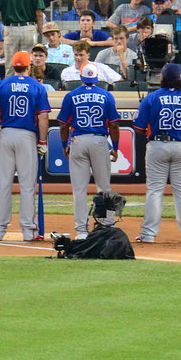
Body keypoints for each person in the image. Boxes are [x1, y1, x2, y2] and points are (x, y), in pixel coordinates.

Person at [0, 50, 51, 242]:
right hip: (27, 135)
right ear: (28, 66)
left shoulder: (2, 84)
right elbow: (43, 116)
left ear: (14, 66)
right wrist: (42, 142)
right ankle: (28, 230)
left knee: (2, 185)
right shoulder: (37, 86)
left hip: (6, 134)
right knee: (27, 186)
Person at [131, 63, 181, 243]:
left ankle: (148, 235)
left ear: (162, 78)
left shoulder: (151, 98)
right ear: (179, 78)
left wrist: (151, 128)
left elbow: (139, 128)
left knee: (155, 191)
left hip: (158, 145)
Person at [57, 63, 121, 240]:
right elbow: (114, 124)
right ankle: (106, 225)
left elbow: (63, 124)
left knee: (79, 190)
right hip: (100, 140)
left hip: (78, 140)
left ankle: (81, 231)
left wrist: (64, 144)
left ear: (81, 77)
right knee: (104, 187)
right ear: (96, 77)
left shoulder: (71, 95)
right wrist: (115, 147)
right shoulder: (106, 95)